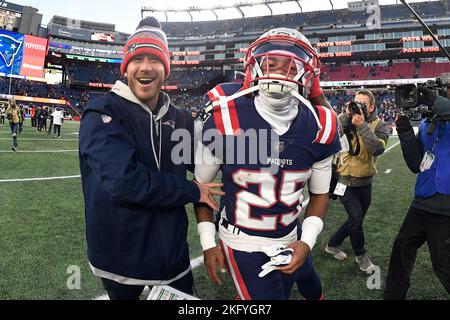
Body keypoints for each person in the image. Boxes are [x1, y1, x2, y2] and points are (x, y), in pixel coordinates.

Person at [79, 17, 223, 300]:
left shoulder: (180, 117)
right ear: (126, 67)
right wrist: (192, 190)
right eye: (137, 59)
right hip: (118, 258)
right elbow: (124, 182)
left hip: (172, 255)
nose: (145, 67)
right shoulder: (101, 113)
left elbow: (204, 158)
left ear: (166, 69)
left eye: (155, 59)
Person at [194, 28, 341, 300]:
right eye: (270, 64)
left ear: (306, 74)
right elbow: (203, 189)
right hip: (242, 240)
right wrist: (207, 241)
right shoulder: (225, 113)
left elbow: (320, 194)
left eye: (288, 67)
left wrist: (306, 242)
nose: (277, 72)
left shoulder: (320, 124)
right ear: (254, 68)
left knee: (308, 287)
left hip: (290, 230)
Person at [384, 86, 450, 299]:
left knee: (443, 263)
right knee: (401, 250)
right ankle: (394, 295)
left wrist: (436, 101)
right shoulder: (427, 123)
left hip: (446, 207)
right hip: (422, 201)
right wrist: (404, 133)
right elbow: (416, 164)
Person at [325, 89, 389, 271]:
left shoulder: (380, 125)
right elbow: (333, 133)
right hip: (344, 180)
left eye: (362, 104)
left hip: (365, 182)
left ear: (372, 107)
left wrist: (362, 125)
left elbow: (377, 149)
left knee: (356, 220)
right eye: (356, 102)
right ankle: (361, 255)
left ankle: (332, 244)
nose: (358, 106)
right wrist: (346, 116)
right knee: (356, 217)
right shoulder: (345, 120)